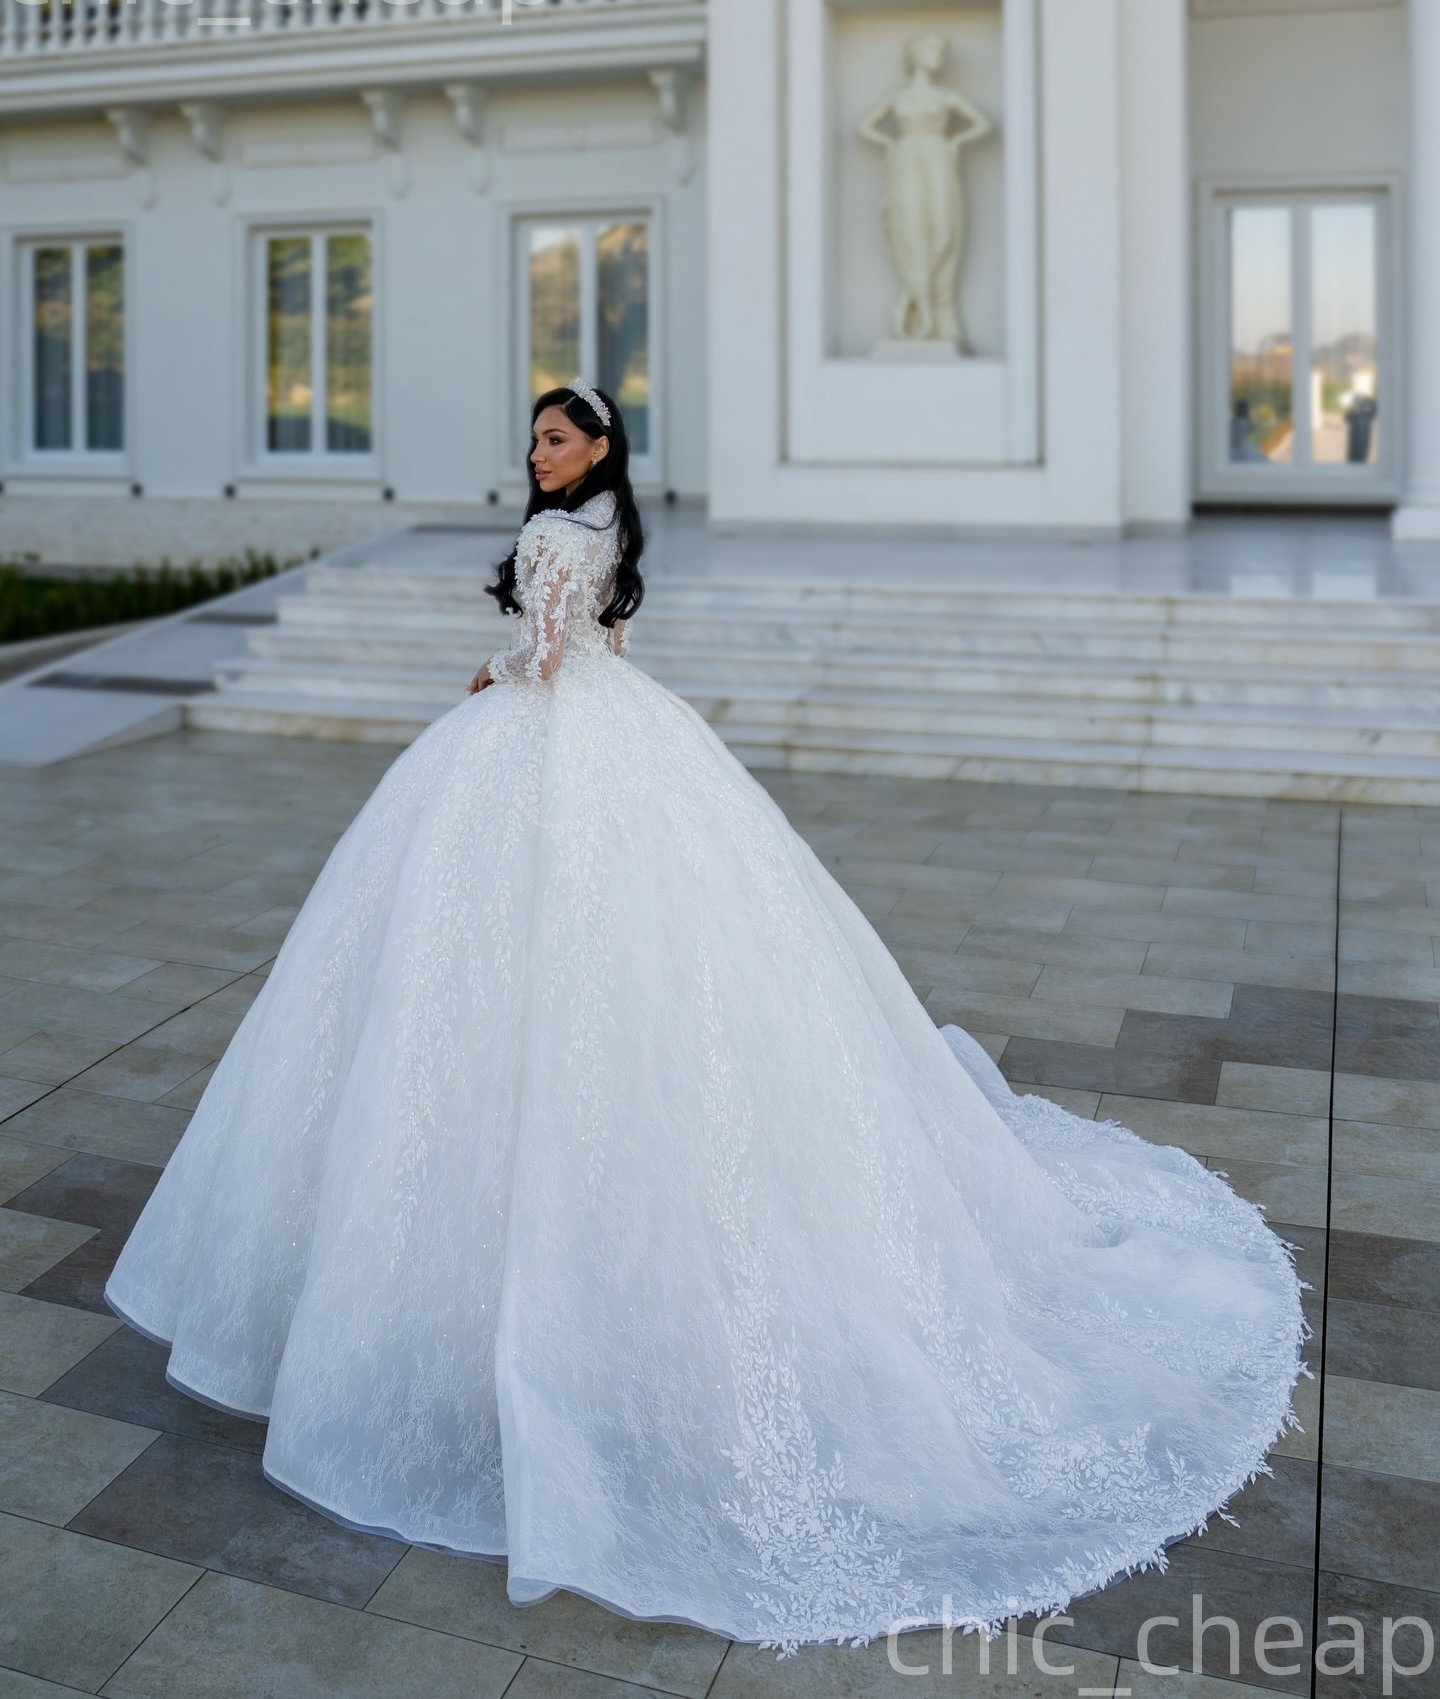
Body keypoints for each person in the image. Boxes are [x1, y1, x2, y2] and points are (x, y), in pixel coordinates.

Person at [105, 384, 1307, 1657]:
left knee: (495, 988)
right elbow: (603, 648)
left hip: (552, 745)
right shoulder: (611, 519)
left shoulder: (564, 535)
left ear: (601, 446)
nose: (539, 454)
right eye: (533, 439)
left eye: (556, 439)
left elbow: (552, 660)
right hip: (628, 738)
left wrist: (494, 667)